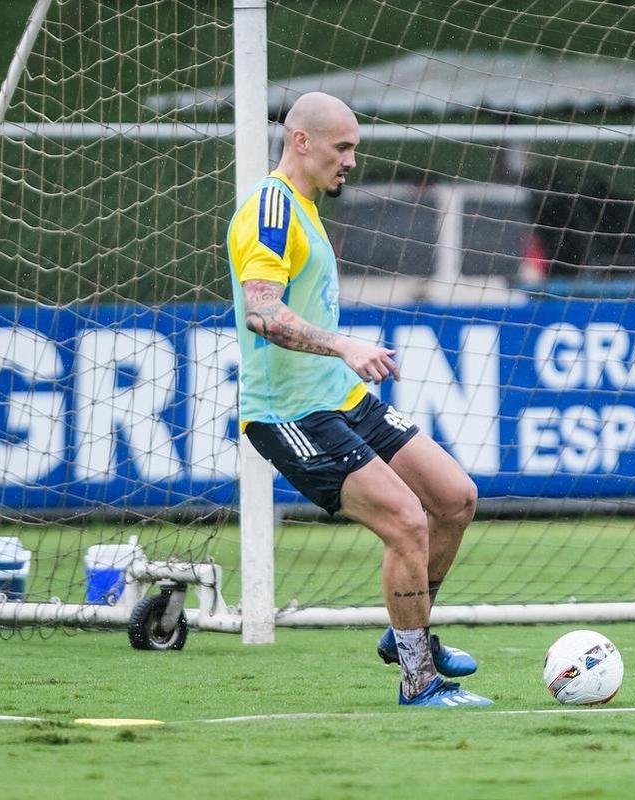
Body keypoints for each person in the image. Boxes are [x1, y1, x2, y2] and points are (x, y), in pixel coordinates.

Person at [226, 92, 491, 706]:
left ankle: (408, 632)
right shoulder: (271, 208)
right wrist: (343, 345)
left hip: (341, 398)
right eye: (342, 148)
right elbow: (263, 314)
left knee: (454, 499)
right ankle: (419, 678)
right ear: (301, 141)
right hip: (289, 412)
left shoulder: (307, 206)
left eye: (354, 149)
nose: (350, 161)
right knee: (405, 521)